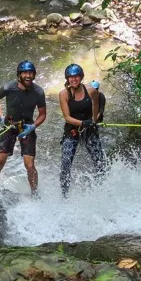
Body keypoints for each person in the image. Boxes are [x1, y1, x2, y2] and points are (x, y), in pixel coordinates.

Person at [0, 60, 47, 195]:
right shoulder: (9, 87)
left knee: (29, 165)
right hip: (10, 125)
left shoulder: (38, 92)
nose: (28, 76)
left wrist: (32, 127)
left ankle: (35, 194)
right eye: (25, 73)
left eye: (31, 73)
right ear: (19, 75)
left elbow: (42, 115)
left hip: (26, 126)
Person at [59, 64, 105, 197]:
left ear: (81, 77)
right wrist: (83, 123)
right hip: (72, 129)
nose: (74, 79)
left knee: (99, 161)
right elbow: (67, 117)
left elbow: (96, 106)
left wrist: (95, 122)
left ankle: (101, 188)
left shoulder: (91, 91)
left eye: (76, 76)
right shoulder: (64, 94)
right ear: (67, 79)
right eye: (71, 77)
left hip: (89, 129)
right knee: (66, 163)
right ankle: (65, 195)